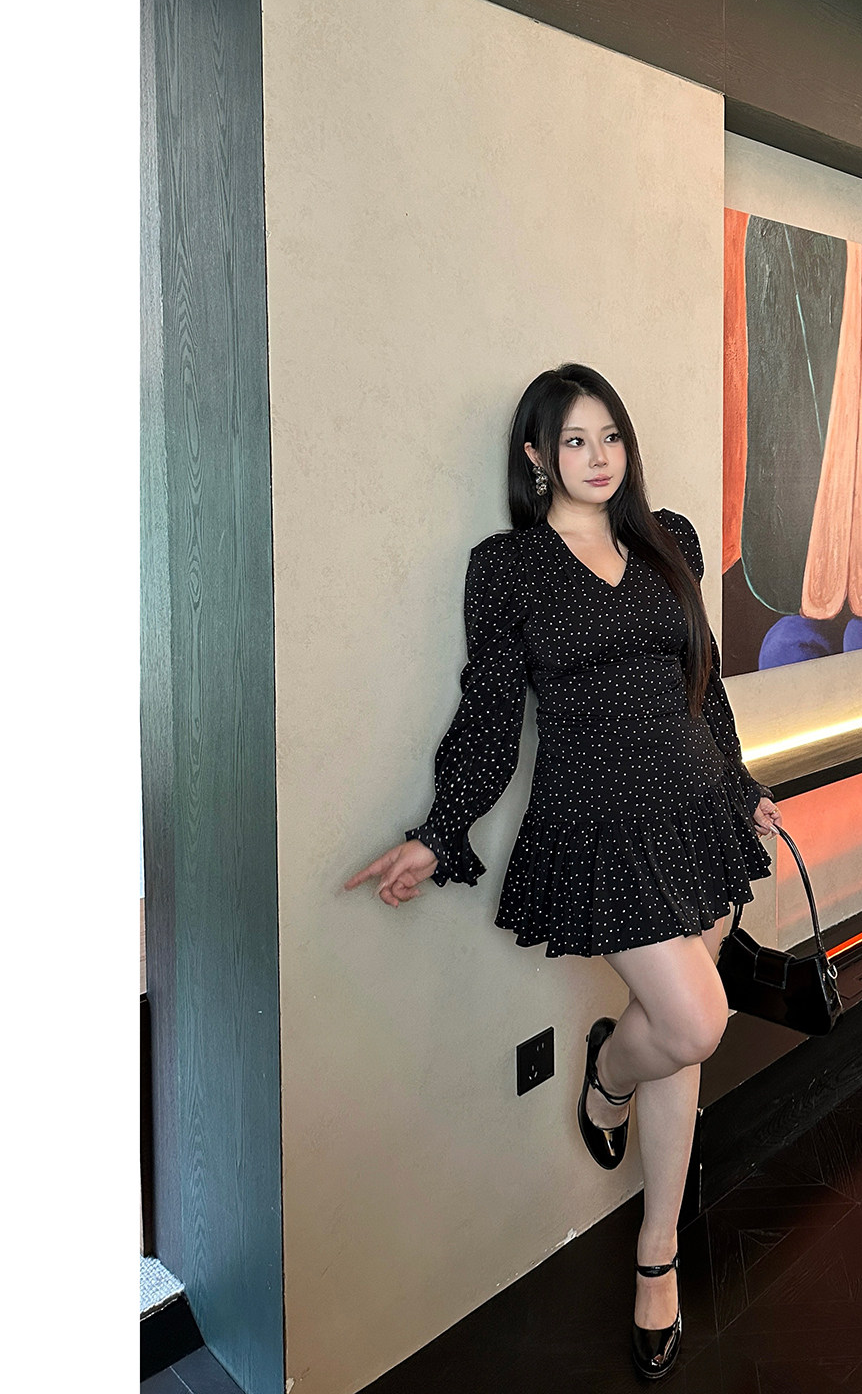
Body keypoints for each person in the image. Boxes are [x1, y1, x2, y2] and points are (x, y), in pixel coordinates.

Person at [345, 362, 782, 1381]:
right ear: (537, 455)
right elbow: (492, 711)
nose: (598, 457)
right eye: (576, 440)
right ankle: (608, 1077)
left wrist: (741, 784)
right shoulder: (509, 567)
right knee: (693, 1023)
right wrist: (439, 829)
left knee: (682, 1038)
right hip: (599, 824)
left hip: (696, 809)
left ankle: (656, 1254)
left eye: (611, 437)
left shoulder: (668, 539)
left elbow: (703, 683)